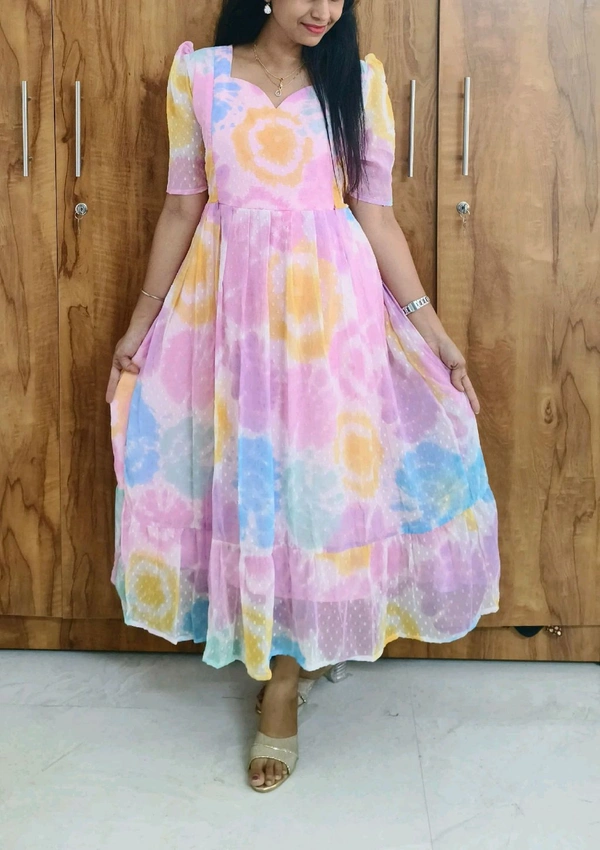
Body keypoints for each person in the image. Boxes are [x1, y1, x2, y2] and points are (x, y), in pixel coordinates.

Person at [105, 0, 501, 793]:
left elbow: (377, 219)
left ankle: (285, 680)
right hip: (228, 319)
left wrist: (434, 333)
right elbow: (182, 207)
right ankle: (271, 655)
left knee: (315, 492)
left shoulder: (358, 83)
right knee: (250, 490)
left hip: (331, 321)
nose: (324, 8)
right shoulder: (201, 77)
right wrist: (139, 325)